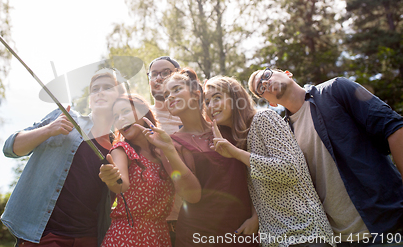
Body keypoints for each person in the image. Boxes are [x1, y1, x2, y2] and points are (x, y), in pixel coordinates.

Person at [248, 68, 403, 244]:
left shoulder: (336, 89)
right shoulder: (284, 136)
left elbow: (394, 128)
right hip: (337, 238)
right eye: (260, 88)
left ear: (288, 73)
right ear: (270, 104)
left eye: (266, 75)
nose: (266, 83)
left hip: (388, 226)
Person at [205, 76, 334, 247]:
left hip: (306, 234)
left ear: (235, 98)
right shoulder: (238, 140)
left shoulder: (264, 118)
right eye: (206, 102)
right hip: (275, 240)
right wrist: (255, 217)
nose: (211, 106)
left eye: (217, 98)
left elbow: (290, 170)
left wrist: (237, 154)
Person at [1, 70, 124, 246]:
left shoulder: (120, 148)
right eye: (95, 89)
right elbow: (10, 148)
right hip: (44, 235)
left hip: (88, 238)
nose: (100, 92)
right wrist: (49, 129)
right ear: (89, 100)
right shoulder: (64, 117)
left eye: (108, 87)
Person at [160, 68, 259, 247]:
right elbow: (191, 196)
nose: (170, 98)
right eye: (166, 96)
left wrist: (257, 216)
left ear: (196, 94)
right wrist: (168, 150)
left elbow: (255, 175)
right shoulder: (170, 144)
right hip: (197, 235)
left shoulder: (227, 128)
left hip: (243, 230)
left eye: (176, 90)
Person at [99, 94, 199, 247]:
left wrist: (169, 150)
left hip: (160, 235)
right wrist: (112, 178)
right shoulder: (122, 150)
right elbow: (121, 185)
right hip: (126, 236)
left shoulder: (163, 148)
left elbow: (191, 192)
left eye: (125, 112)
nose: (120, 119)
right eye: (116, 117)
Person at [148, 56, 184, 244]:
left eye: (166, 73)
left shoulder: (197, 115)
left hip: (193, 217)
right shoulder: (141, 118)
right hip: (153, 223)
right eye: (154, 74)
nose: (159, 78)